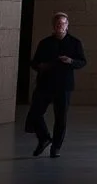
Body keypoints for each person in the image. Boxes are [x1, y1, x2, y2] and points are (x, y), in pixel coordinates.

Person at [25, 12, 87, 159]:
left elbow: (82, 62)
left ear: (67, 25)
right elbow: (34, 63)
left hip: (63, 85)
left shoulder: (74, 43)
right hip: (45, 84)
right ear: (54, 26)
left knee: (60, 118)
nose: (60, 26)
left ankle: (56, 147)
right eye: (58, 24)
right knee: (35, 113)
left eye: (63, 24)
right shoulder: (45, 43)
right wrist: (41, 67)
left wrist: (70, 61)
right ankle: (44, 138)